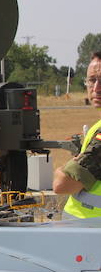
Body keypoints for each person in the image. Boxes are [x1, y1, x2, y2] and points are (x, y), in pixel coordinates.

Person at [54, 51, 101, 218]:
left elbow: (62, 185)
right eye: (92, 80)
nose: (96, 88)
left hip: (90, 231)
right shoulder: (97, 125)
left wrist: (60, 170)